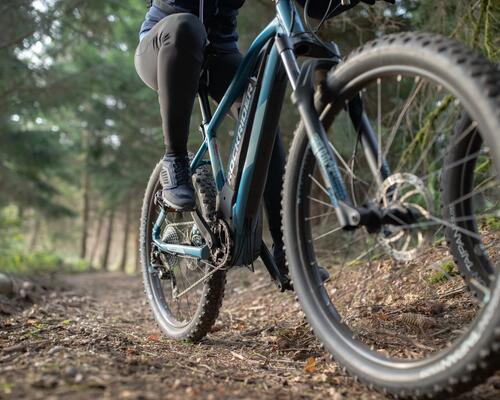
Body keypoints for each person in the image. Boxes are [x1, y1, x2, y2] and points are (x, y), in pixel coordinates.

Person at [134, 0, 328, 281]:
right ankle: (174, 159)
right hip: (163, 42)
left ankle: (288, 248)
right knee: (186, 26)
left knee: (264, 117)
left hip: (220, 53)